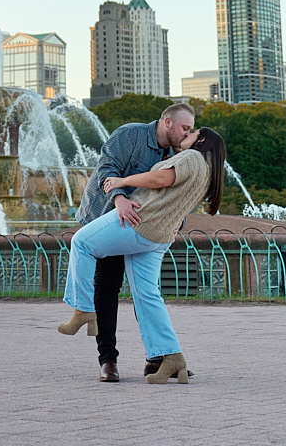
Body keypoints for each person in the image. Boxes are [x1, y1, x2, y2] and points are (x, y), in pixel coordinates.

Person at [58, 126, 227, 384]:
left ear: (201, 140)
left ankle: (83, 309)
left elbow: (161, 180)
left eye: (192, 131)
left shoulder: (192, 157)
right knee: (147, 294)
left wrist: (122, 183)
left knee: (81, 243)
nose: (187, 134)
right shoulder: (208, 171)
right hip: (159, 237)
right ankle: (170, 357)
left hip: (139, 222)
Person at [73, 102, 196, 382]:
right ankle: (108, 361)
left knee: (146, 290)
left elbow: (180, 193)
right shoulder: (130, 135)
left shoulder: (177, 155)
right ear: (167, 122)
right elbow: (107, 169)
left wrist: (179, 220)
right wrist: (119, 201)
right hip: (107, 217)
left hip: (143, 226)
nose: (186, 134)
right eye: (184, 128)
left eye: (190, 130)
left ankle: (157, 359)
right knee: (108, 286)